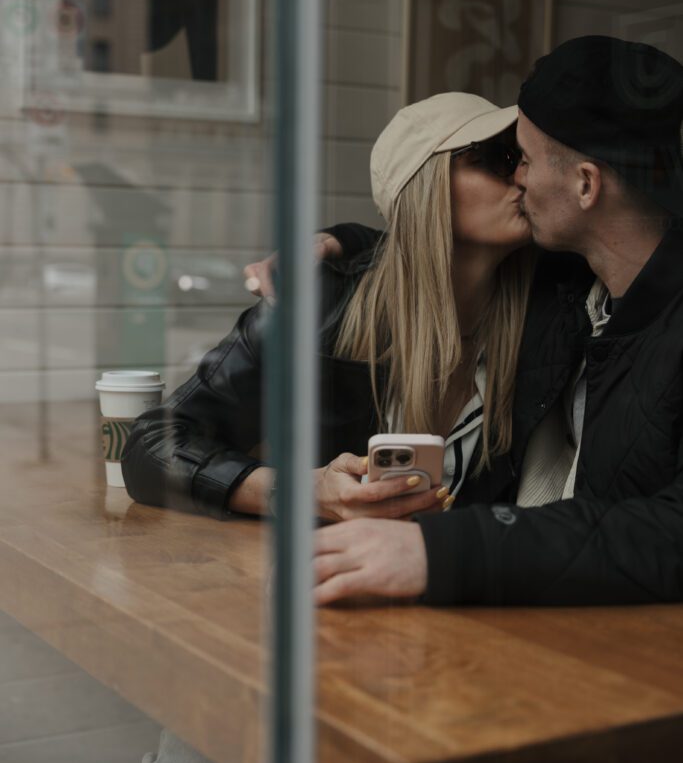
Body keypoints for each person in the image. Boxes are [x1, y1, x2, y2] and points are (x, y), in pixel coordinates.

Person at [288, 35, 683, 606]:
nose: (515, 180)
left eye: (521, 158)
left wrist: (443, 550)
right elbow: (433, 242)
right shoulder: (579, 289)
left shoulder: (569, 298)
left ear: (585, 184)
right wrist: (341, 245)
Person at [122, 92, 534, 522]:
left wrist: (345, 237)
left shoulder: (553, 312)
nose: (525, 177)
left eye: (526, 159)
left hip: (476, 584)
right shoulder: (321, 306)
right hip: (322, 577)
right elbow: (150, 446)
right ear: (425, 186)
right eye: (499, 158)